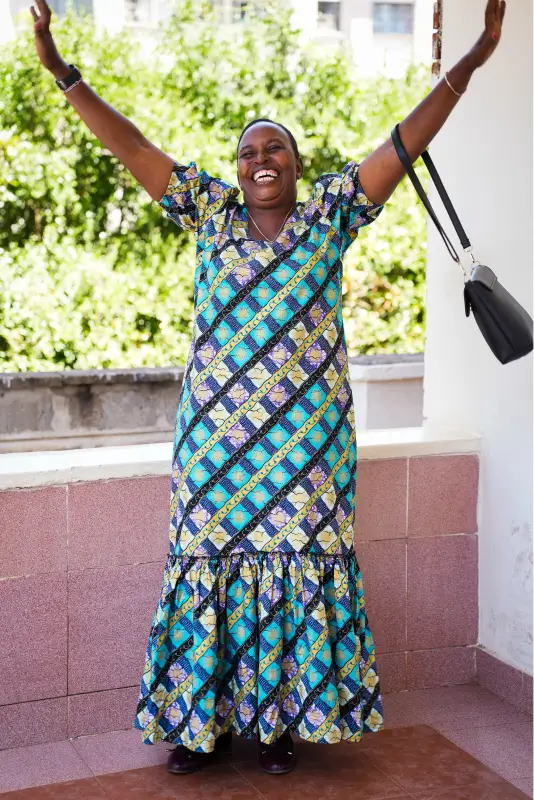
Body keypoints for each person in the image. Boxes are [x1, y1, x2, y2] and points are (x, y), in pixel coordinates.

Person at [32, 0, 505, 776]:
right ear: (235, 164)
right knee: (206, 568)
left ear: (296, 160)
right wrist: (63, 73)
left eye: (276, 148)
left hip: (306, 447)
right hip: (215, 451)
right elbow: (133, 145)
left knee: (295, 570)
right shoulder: (209, 212)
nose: (261, 159)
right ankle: (200, 728)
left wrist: (476, 57)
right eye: (249, 149)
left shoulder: (330, 215)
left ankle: (277, 724)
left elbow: (404, 142)